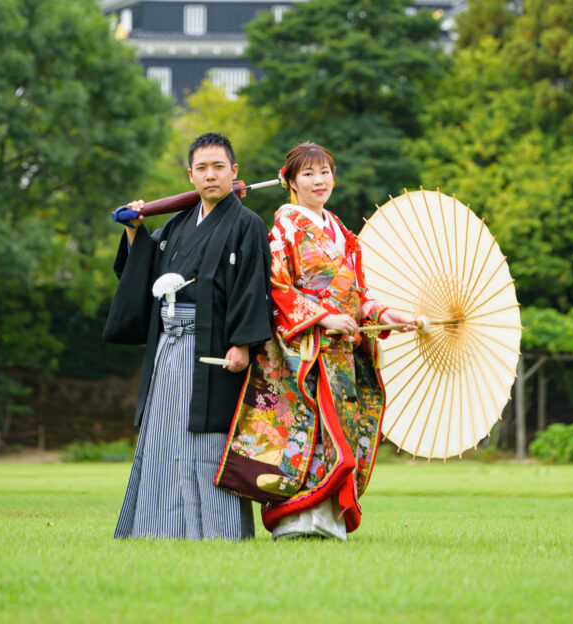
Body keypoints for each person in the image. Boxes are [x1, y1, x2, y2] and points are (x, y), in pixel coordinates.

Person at [215, 142, 414, 540]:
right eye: (308, 173)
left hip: (342, 351)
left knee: (342, 430)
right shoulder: (283, 229)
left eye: (325, 172)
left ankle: (326, 518)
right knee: (308, 431)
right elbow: (277, 288)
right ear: (290, 181)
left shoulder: (341, 232)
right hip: (302, 351)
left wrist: (384, 314)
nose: (319, 180)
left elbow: (357, 295)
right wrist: (322, 317)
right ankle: (295, 519)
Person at [103, 132, 272, 541]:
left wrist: (243, 344)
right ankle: (156, 528)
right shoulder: (177, 224)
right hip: (170, 346)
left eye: (219, 167)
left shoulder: (247, 225)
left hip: (214, 348)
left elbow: (253, 285)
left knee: (207, 437)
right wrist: (134, 231)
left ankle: (219, 531)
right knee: (162, 433)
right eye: (202, 168)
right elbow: (144, 271)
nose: (210, 175)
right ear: (191, 175)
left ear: (234, 173)